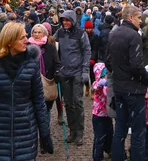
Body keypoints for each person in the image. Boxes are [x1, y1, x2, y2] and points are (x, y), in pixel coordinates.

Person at [0, 22, 53, 161]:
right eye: (21, 37)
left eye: (25, 36)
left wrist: (44, 132)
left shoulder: (31, 63)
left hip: (25, 135)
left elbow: (39, 100)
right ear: (9, 41)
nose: (26, 40)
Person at [106, 4, 148, 161]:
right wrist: (147, 80)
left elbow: (108, 62)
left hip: (119, 89)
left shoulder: (114, 33)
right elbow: (137, 65)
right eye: (139, 18)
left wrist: (119, 75)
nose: (141, 21)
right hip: (134, 90)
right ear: (130, 18)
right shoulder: (133, 35)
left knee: (120, 131)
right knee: (138, 133)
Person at [54, 9, 91, 146]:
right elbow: (52, 43)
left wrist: (85, 70)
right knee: (68, 103)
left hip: (77, 71)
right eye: (63, 20)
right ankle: (72, 130)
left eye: (67, 20)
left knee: (77, 102)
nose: (65, 22)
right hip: (64, 72)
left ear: (73, 21)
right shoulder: (60, 32)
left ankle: (80, 132)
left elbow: (87, 51)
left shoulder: (81, 34)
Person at [28, 23, 61, 126]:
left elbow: (57, 63)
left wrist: (57, 73)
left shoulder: (50, 47)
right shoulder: (27, 47)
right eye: (35, 32)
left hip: (46, 81)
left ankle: (44, 133)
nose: (37, 34)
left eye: (39, 32)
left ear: (44, 34)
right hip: (30, 83)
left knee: (45, 110)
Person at [91, 62, 113, 161]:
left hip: (107, 115)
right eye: (103, 74)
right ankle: (97, 156)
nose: (106, 76)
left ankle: (109, 149)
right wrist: (101, 82)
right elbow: (96, 87)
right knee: (99, 137)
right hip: (98, 116)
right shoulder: (97, 84)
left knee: (109, 134)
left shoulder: (108, 83)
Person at [84, 19, 99, 96]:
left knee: (92, 75)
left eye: (90, 28)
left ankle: (93, 90)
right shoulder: (83, 35)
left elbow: (95, 49)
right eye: (87, 28)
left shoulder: (95, 36)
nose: (88, 30)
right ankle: (87, 86)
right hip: (84, 58)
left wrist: (93, 59)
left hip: (92, 58)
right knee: (85, 75)